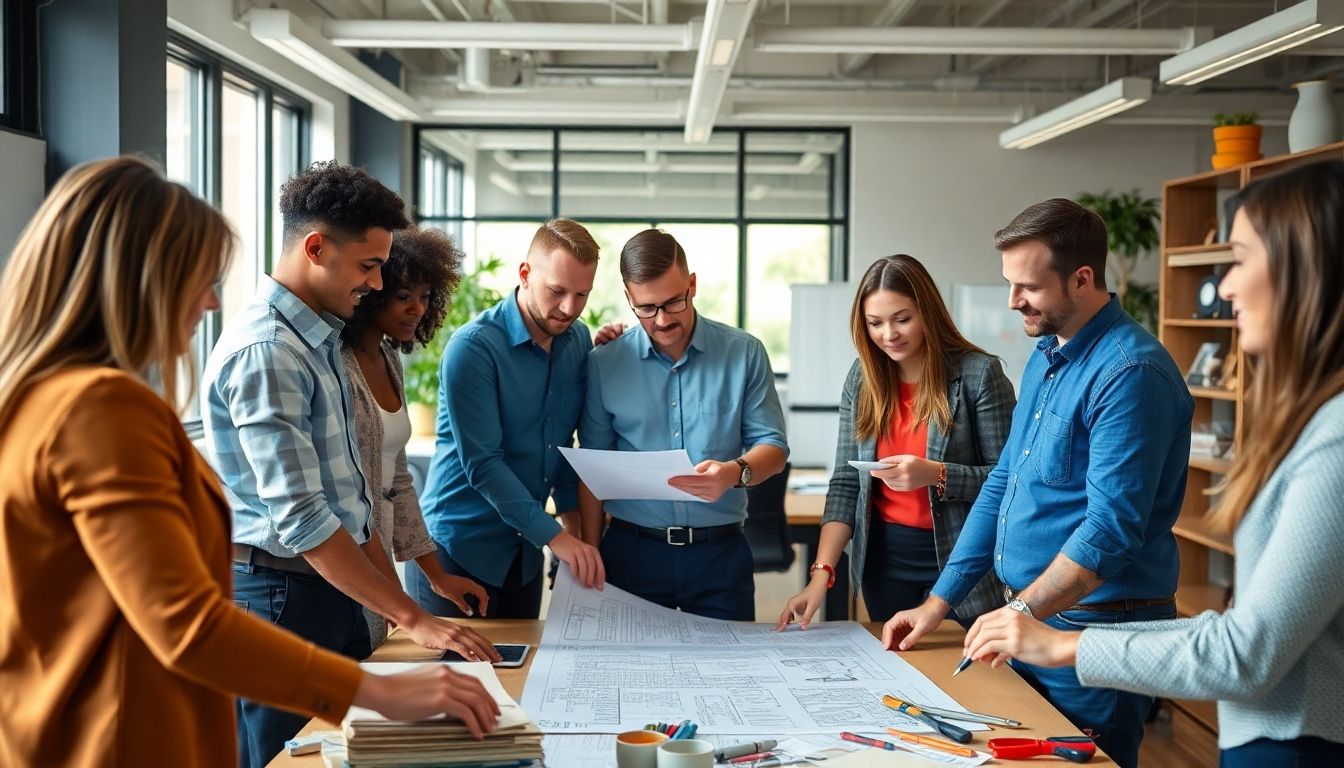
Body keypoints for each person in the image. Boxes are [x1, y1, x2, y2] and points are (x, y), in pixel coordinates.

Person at [0, 157, 499, 768]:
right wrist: (380, 691)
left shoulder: (35, 401)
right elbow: (187, 624)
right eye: (200, 278)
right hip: (114, 732)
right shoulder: (101, 409)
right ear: (138, 281)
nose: (212, 302)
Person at [962, 161, 1344, 767]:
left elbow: (1246, 652)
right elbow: (1240, 633)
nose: (1223, 288)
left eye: (1241, 259)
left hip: (1301, 743)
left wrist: (1061, 645)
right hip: (1269, 733)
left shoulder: (1334, 438)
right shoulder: (1312, 423)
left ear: (1305, 274)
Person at [201, 161, 499, 768]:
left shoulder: (323, 342)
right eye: (369, 265)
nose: (378, 282)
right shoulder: (270, 352)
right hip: (279, 595)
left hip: (330, 589)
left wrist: (398, 604)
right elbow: (305, 519)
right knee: (287, 761)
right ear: (316, 248)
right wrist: (413, 615)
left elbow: (359, 495)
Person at [881, 198, 1193, 768]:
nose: (1013, 301)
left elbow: (1110, 531)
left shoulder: (1131, 373)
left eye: (1028, 286)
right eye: (1009, 283)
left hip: (1096, 632)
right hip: (1032, 621)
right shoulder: (1049, 355)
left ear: (1082, 278)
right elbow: (1003, 483)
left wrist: (1022, 613)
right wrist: (938, 601)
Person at [776, 255, 1014, 630]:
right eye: (875, 323)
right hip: (884, 562)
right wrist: (820, 573)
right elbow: (845, 482)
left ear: (928, 312)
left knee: (965, 680)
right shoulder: (862, 377)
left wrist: (936, 474)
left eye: (902, 319)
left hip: (960, 560)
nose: (889, 334)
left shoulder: (978, 375)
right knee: (897, 670)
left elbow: (1011, 482)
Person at [578, 228, 788, 621]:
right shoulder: (604, 363)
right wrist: (591, 554)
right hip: (630, 555)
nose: (661, 320)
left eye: (674, 301)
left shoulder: (744, 353)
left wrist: (732, 473)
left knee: (730, 678)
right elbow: (593, 471)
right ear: (629, 299)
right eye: (647, 307)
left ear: (692, 284)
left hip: (720, 556)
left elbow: (774, 450)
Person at [412, 219, 606, 620]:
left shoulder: (578, 341)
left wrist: (572, 533)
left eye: (582, 294)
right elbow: (484, 464)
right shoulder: (473, 348)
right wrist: (556, 537)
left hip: (524, 553)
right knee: (456, 680)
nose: (570, 308)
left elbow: (563, 449)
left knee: (519, 676)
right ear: (525, 274)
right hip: (458, 550)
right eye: (557, 291)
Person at [340, 226, 493, 646]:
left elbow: (397, 482)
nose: (417, 309)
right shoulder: (338, 363)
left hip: (381, 556)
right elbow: (351, 499)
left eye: (425, 297)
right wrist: (400, 604)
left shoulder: (390, 360)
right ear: (373, 293)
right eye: (404, 296)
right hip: (345, 564)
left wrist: (437, 576)